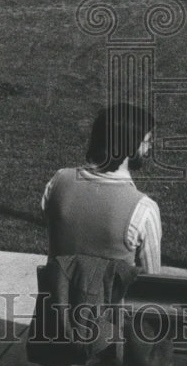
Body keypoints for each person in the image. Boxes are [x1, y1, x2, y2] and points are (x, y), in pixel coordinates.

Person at [41, 101, 162, 272]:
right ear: (130, 147)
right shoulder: (143, 209)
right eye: (146, 141)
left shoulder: (57, 183)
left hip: (57, 297)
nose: (149, 148)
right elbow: (152, 282)